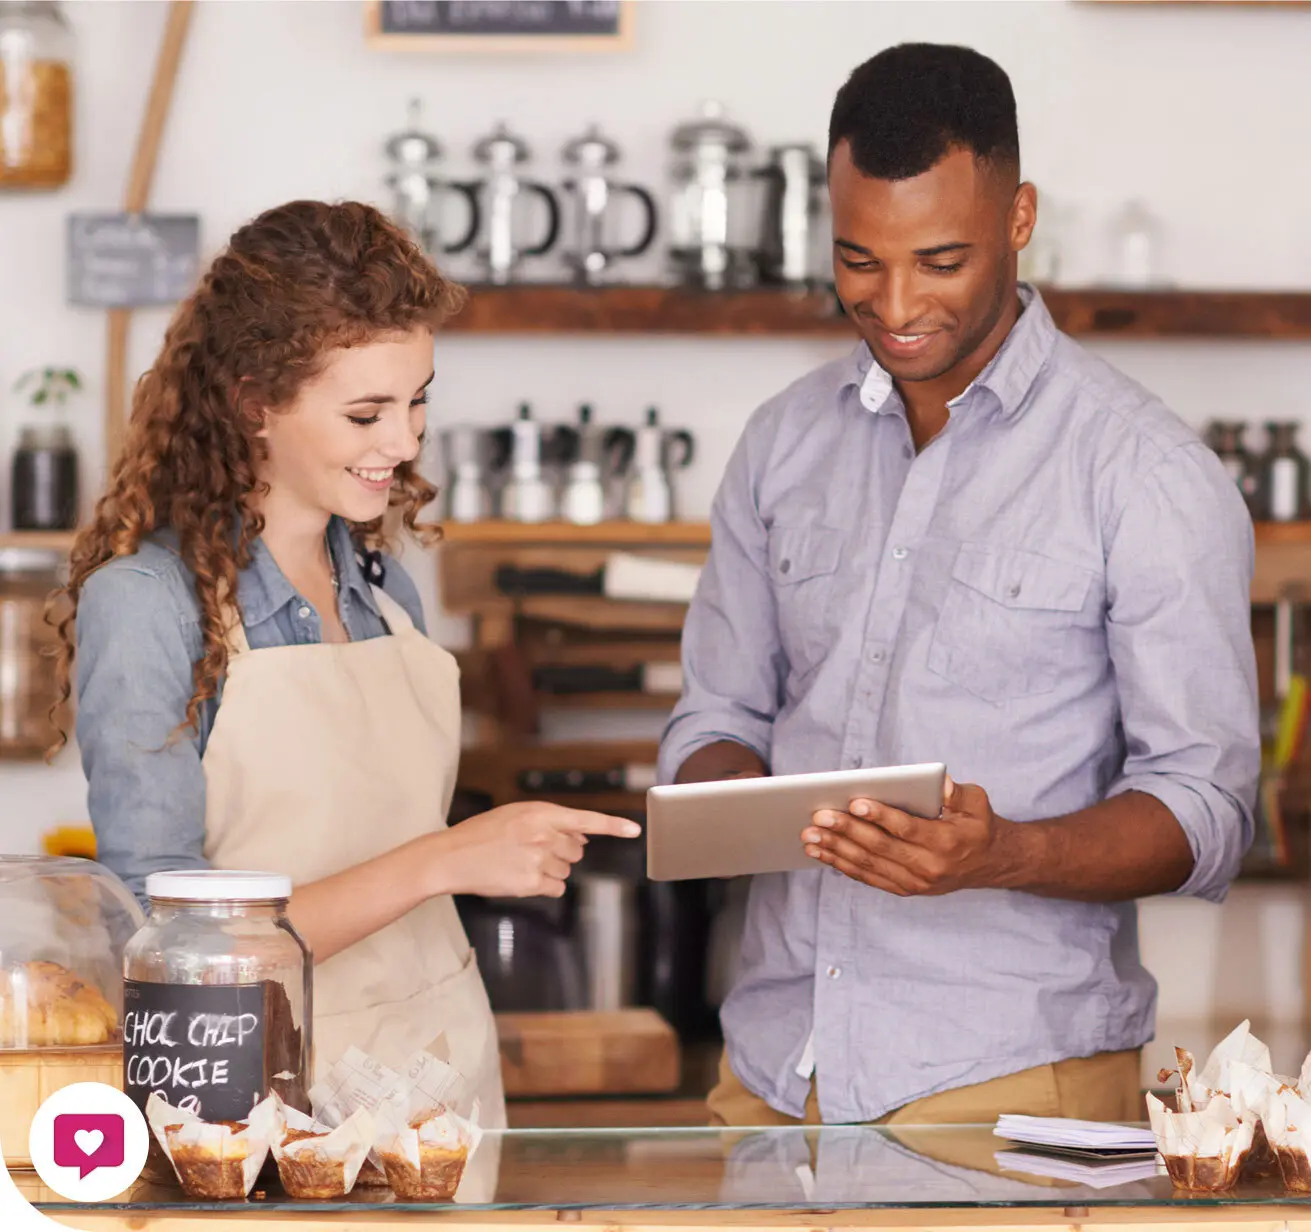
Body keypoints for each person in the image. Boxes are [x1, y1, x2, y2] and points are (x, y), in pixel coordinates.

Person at [659, 43, 1259, 1128]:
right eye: (857, 260)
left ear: (1020, 216)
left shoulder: (1148, 475)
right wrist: (738, 800)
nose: (895, 305)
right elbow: (717, 714)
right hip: (768, 1078)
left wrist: (1005, 853)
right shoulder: (781, 444)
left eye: (941, 260)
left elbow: (1208, 807)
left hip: (1015, 1090)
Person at [56, 199, 641, 1133]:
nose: (405, 443)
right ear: (254, 402)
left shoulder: (383, 591)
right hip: (259, 1112)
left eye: (417, 401)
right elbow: (164, 953)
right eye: (366, 412)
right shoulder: (149, 603)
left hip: (441, 1083)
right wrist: (444, 859)